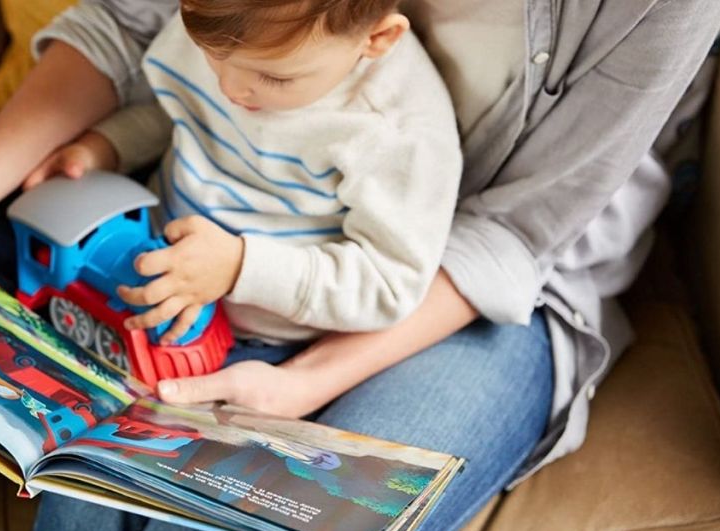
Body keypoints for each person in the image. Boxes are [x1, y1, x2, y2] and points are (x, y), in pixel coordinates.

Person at [0, 0, 720, 531]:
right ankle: (85, 409)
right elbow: (157, 60)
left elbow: (512, 234)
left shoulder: (406, 120)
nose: (242, 86)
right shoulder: (224, 63)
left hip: (444, 290)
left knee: (245, 527)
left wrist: (293, 383)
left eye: (270, 77)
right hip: (195, 219)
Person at [30, 0, 462, 350]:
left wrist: (240, 267)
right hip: (140, 266)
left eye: (274, 77)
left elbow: (388, 285)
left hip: (262, 338)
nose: (231, 90)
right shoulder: (223, 19)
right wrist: (108, 146)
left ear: (377, 38)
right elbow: (179, 112)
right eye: (213, 58)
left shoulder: (398, 134)